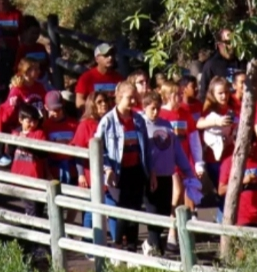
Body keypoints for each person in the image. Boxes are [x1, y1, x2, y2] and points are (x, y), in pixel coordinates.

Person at [96, 80, 151, 252]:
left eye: (134, 98)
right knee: (123, 210)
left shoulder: (139, 120)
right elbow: (99, 148)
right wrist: (108, 169)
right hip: (120, 171)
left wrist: (151, 171)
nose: (133, 102)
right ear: (119, 98)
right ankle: (118, 244)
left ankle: (132, 246)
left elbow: (146, 148)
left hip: (136, 170)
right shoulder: (107, 121)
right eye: (129, 98)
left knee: (135, 209)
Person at [142, 91, 195, 254]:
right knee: (153, 211)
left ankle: (152, 243)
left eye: (158, 108)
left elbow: (177, 150)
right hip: (150, 176)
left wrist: (188, 171)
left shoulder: (166, 125)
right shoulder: (141, 125)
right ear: (145, 108)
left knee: (165, 211)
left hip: (166, 174)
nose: (156, 112)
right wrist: (149, 171)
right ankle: (154, 247)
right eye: (152, 109)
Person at [71, 91, 117, 241]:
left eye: (105, 101)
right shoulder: (85, 125)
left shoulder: (108, 121)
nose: (104, 104)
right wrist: (80, 174)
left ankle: (114, 244)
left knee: (112, 209)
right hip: (91, 173)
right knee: (91, 211)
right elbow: (77, 150)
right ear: (92, 105)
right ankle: (89, 245)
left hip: (109, 173)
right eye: (99, 102)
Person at [196, 76, 239, 222]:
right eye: (220, 93)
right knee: (223, 193)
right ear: (213, 94)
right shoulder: (209, 110)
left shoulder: (233, 108)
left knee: (232, 193)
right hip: (215, 158)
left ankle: (225, 223)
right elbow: (199, 124)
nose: (224, 96)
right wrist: (216, 121)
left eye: (226, 92)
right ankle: (222, 225)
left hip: (232, 156)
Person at [218, 139, 257, 230]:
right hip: (241, 220)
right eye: (248, 143)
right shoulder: (229, 163)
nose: (251, 146)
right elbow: (221, 190)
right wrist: (242, 181)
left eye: (253, 143)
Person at [9, 104, 48, 217]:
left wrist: (26, 144)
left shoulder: (39, 133)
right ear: (20, 120)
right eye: (29, 121)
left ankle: (35, 227)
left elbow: (43, 153)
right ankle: (32, 229)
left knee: (38, 206)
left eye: (35, 121)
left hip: (35, 177)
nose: (32, 124)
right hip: (20, 177)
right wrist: (15, 141)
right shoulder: (15, 133)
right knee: (31, 206)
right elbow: (10, 151)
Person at [42, 90, 79, 184]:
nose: (56, 113)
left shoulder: (74, 124)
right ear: (46, 107)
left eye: (58, 109)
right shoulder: (45, 126)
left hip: (73, 170)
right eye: (53, 110)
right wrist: (47, 172)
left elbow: (78, 144)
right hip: (54, 171)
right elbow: (44, 154)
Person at [75, 43, 125, 110]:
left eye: (112, 54)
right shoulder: (86, 78)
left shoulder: (119, 78)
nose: (110, 57)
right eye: (106, 55)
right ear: (97, 59)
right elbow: (79, 102)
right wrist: (95, 110)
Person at [198, 28, 243, 100]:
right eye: (228, 42)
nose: (231, 45)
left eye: (234, 41)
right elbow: (203, 93)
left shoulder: (242, 62)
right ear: (219, 44)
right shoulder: (211, 65)